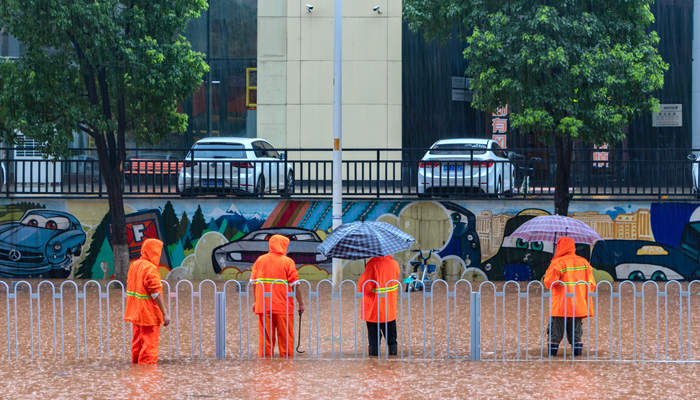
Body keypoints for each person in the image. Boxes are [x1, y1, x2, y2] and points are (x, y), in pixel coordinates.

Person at [251, 234, 305, 358]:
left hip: (264, 306)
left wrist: (256, 301)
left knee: (265, 339)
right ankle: (286, 366)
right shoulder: (287, 262)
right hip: (283, 307)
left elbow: (254, 283)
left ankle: (266, 367)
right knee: (286, 338)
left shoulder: (260, 260)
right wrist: (301, 303)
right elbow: (295, 285)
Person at [543, 236, 596, 356]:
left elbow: (548, 283)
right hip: (578, 305)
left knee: (555, 333)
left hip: (561, 306)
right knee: (576, 334)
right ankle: (577, 359)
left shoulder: (557, 263)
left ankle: (552, 358)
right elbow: (592, 284)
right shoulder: (584, 262)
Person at [124, 238, 170, 364]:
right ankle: (147, 376)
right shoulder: (150, 269)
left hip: (135, 312)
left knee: (137, 343)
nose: (159, 256)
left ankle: (136, 373)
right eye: (158, 252)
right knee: (149, 346)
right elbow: (155, 293)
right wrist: (165, 313)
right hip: (148, 314)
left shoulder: (134, 265)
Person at [357, 255, 400, 356]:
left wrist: (365, 273)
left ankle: (374, 363)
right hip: (389, 308)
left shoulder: (372, 265)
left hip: (374, 309)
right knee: (391, 336)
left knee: (374, 338)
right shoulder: (394, 264)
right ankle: (393, 357)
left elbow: (363, 287)